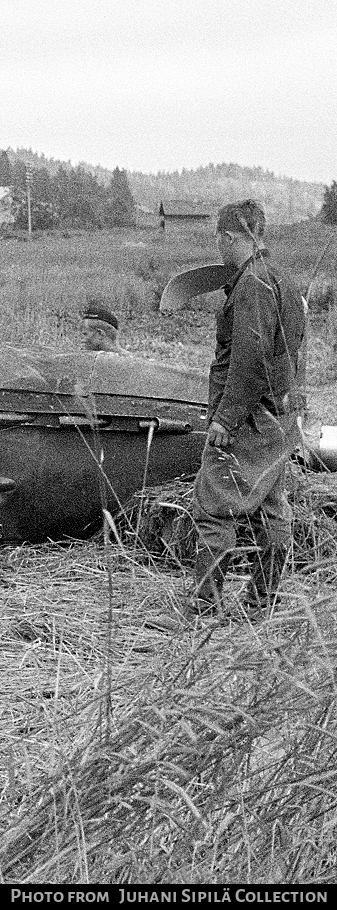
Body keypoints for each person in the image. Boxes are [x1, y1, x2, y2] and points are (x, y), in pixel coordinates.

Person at [177, 199, 306, 621]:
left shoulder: (251, 284)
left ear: (230, 236)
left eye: (220, 238)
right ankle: (259, 605)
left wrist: (224, 420)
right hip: (278, 417)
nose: (218, 247)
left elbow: (250, 362)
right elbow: (290, 353)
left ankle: (202, 607)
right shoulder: (282, 280)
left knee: (213, 503)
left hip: (248, 418)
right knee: (271, 508)